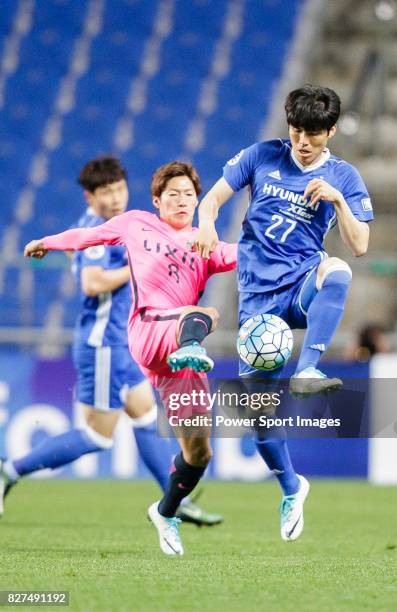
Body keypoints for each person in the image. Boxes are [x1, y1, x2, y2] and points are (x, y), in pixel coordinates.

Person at [23, 160, 237, 556]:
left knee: (198, 454)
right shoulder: (136, 223)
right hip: (148, 331)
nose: (181, 200)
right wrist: (46, 241)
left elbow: (251, 257)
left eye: (189, 194)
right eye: (172, 194)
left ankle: (166, 512)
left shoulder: (206, 244)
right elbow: (88, 236)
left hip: (180, 358)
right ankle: (192, 341)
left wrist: (304, 259)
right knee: (204, 315)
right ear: (156, 200)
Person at [194, 85, 374, 540]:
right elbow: (211, 200)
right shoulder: (262, 156)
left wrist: (335, 200)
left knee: (336, 272)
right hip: (258, 302)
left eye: (314, 133)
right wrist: (207, 225)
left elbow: (359, 246)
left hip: (301, 285)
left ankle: (309, 368)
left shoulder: (345, 177)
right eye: (297, 131)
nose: (303, 141)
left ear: (331, 131)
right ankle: (292, 488)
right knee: (260, 413)